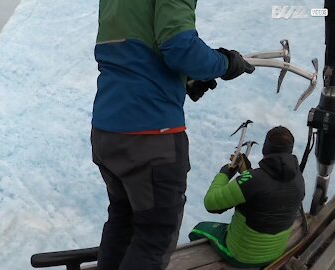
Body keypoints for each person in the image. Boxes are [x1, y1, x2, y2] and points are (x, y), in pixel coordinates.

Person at [90, 0, 255, 269]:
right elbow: (180, 47)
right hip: (150, 137)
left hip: (107, 129)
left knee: (124, 220)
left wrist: (184, 80)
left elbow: (130, 50)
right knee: (155, 236)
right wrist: (226, 63)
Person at [189, 126, 305, 268]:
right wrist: (247, 173)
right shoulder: (298, 178)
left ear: (265, 148)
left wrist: (225, 173)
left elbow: (211, 204)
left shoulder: (253, 180)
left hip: (243, 256)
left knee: (197, 230)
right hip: (275, 253)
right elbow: (268, 192)